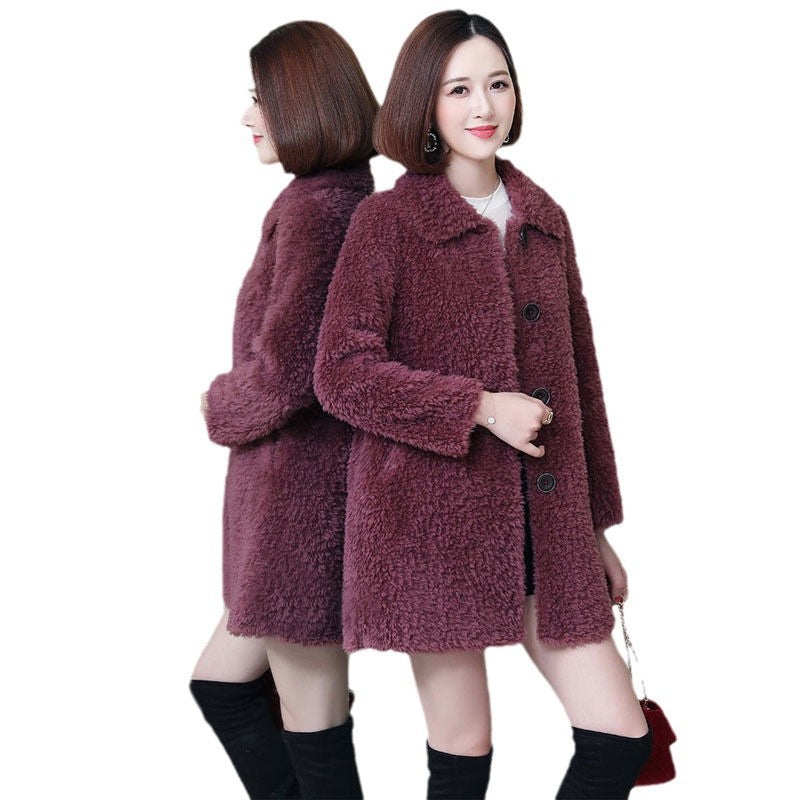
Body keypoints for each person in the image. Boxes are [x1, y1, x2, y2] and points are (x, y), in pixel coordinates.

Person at [313, 10, 652, 799]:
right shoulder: (386, 223)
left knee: (620, 738)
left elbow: (582, 382)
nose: (483, 106)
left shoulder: (545, 220)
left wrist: (595, 529)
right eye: (458, 89)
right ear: (423, 105)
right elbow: (341, 372)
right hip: (429, 525)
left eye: (497, 84)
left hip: (547, 521)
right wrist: (477, 407)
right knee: (463, 751)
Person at [189, 20, 377, 800]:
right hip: (294, 505)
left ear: (303, 103)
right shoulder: (333, 197)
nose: (248, 117)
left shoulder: (319, 210)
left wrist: (219, 403)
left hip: (301, 512)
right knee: (224, 685)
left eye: (261, 99)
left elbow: (290, 374)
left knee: (313, 725)